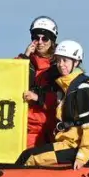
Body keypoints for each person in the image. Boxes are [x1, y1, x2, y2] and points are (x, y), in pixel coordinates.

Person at [15, 40, 89, 169]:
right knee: (26, 155)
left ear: (76, 62)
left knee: (29, 157)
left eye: (65, 61)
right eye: (58, 61)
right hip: (69, 142)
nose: (61, 65)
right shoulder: (66, 86)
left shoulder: (83, 88)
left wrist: (83, 155)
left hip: (80, 146)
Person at [18, 16, 60, 148]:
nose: (40, 42)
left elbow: (66, 97)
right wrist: (25, 58)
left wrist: (38, 97)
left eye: (45, 38)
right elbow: (9, 79)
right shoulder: (22, 61)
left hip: (47, 127)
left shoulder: (60, 64)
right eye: (36, 38)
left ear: (52, 41)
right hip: (23, 125)